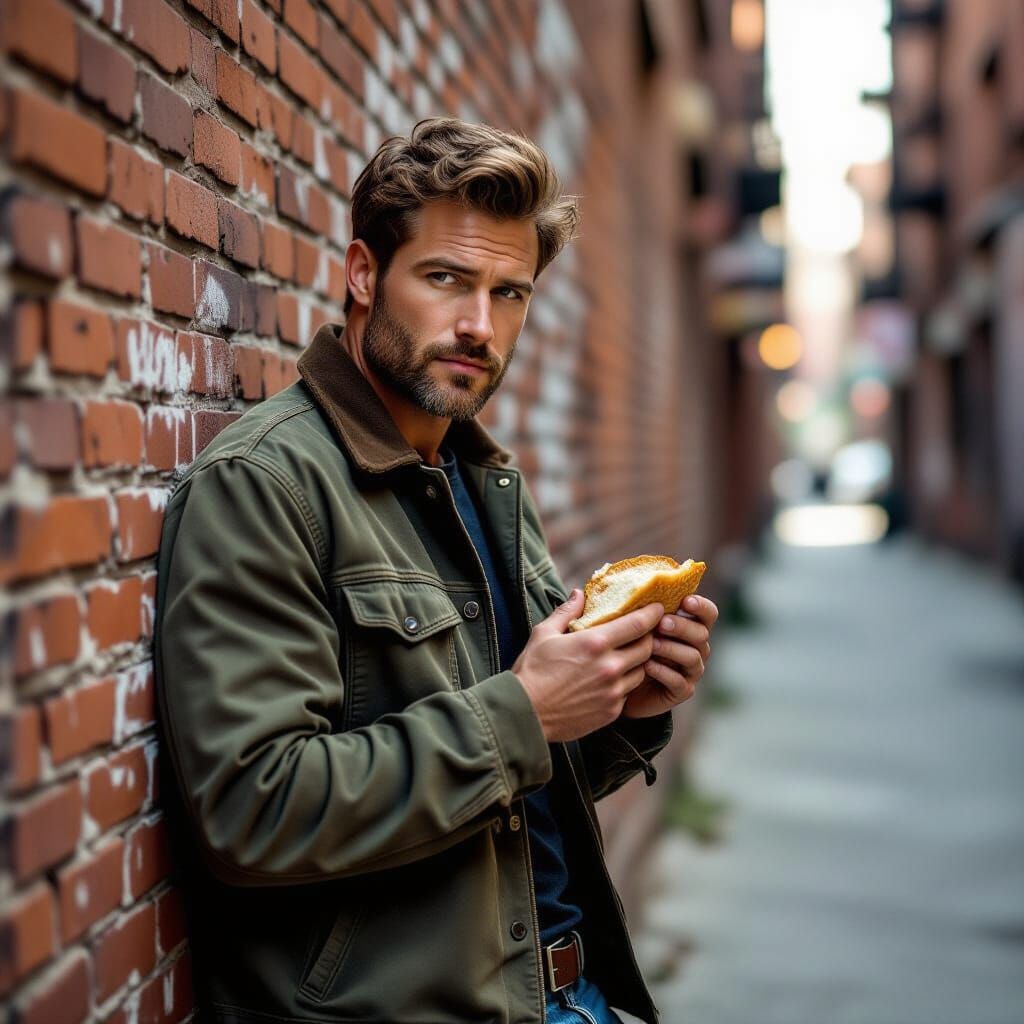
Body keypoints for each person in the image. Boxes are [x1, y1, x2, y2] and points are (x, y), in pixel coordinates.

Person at [154, 118, 718, 1024]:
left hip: (570, 995)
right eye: (447, 280)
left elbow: (505, 793)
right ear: (365, 274)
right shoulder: (266, 486)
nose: (478, 326)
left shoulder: (482, 479)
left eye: (510, 293)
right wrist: (525, 714)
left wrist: (617, 710)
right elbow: (252, 810)